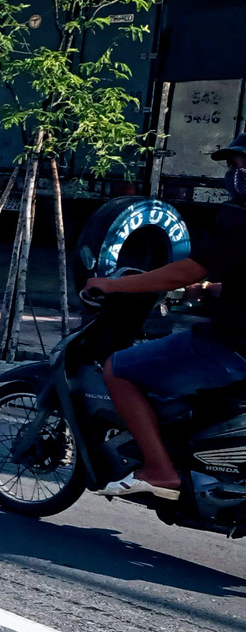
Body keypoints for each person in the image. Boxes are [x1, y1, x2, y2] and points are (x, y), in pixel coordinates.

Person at [85, 132, 246, 500]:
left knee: (118, 369)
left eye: (241, 165)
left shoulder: (241, 222)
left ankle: (159, 470)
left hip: (231, 346)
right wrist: (212, 290)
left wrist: (114, 285)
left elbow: (184, 271)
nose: (235, 173)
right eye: (233, 165)